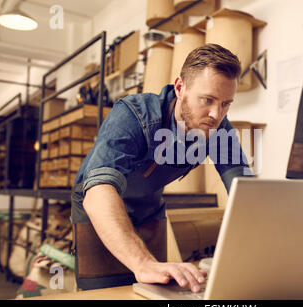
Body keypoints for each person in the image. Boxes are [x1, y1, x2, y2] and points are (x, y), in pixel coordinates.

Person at [71, 43, 252, 292]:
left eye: (225, 104)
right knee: (107, 294)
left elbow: (244, 192)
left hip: (148, 211)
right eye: (207, 99)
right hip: (99, 213)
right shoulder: (132, 115)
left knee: (155, 291)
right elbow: (98, 193)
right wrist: (143, 262)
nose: (215, 114)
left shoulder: (218, 127)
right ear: (180, 88)